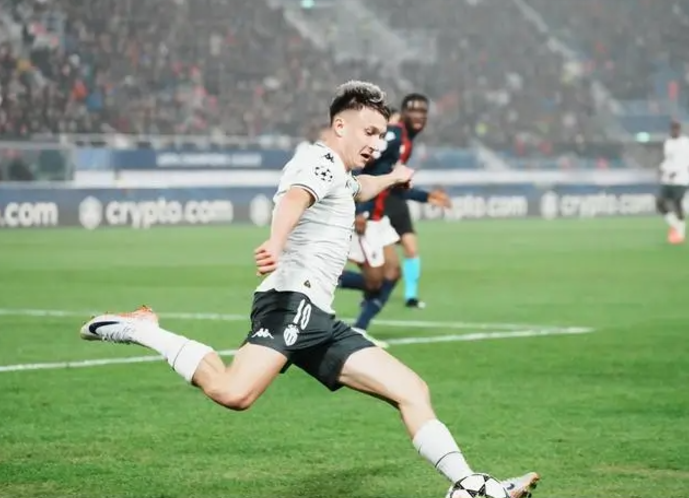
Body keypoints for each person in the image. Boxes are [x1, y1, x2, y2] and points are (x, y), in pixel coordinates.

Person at [79, 81, 538, 498]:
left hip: (318, 317)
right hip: (291, 304)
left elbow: (357, 189)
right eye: (369, 132)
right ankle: (144, 329)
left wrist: (393, 177)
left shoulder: (337, 170)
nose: (376, 142)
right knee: (234, 392)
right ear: (340, 126)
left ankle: (470, 486)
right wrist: (276, 242)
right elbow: (297, 198)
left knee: (412, 389)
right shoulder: (316, 162)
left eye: (381, 135)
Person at [341, 94, 450, 343]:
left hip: (379, 218)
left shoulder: (405, 140)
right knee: (374, 282)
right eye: (414, 111)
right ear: (403, 113)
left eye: (423, 112)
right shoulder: (394, 135)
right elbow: (362, 166)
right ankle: (319, 276)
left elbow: (391, 184)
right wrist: (360, 210)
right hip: (367, 217)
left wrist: (426, 196)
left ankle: (360, 328)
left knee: (392, 273)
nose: (419, 116)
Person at [658, 121, 689, 244]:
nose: (674, 131)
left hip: (681, 178)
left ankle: (680, 232)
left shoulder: (685, 142)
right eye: (672, 129)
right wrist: (662, 168)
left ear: (680, 130)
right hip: (667, 178)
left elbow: (685, 161)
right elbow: (668, 159)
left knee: (677, 203)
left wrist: (677, 171)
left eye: (676, 129)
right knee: (660, 203)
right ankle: (675, 224)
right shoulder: (668, 143)